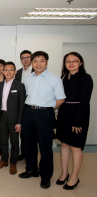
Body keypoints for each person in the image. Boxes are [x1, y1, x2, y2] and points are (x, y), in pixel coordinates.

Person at [18, 51, 66, 189]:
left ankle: (45, 176)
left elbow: (61, 99)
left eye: (41, 60)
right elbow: (26, 95)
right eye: (35, 61)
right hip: (28, 112)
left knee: (45, 146)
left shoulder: (54, 79)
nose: (38, 64)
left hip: (45, 114)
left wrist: (48, 109)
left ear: (47, 62)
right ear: (32, 63)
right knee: (29, 144)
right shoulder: (28, 78)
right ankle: (31, 169)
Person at [56, 52, 93, 190]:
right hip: (64, 113)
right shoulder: (64, 77)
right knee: (64, 144)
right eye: (68, 61)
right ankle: (64, 173)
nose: (71, 63)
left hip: (78, 115)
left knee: (76, 147)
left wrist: (77, 121)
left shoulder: (85, 78)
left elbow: (84, 102)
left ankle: (74, 177)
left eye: (74, 61)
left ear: (80, 63)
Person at [0, 62, 25, 175]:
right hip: (2, 116)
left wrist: (19, 122)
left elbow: (22, 106)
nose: (8, 72)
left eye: (11, 70)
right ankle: (4, 160)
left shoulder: (20, 85)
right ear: (3, 71)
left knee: (14, 142)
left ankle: (13, 163)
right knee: (2, 140)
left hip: (14, 118)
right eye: (6, 70)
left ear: (15, 72)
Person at [15, 50, 34, 161]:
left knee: (30, 131)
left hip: (31, 105)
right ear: (21, 60)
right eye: (23, 57)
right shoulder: (17, 73)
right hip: (20, 106)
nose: (25, 59)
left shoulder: (36, 72)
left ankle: (30, 154)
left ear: (31, 59)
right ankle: (23, 152)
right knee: (21, 129)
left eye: (28, 57)